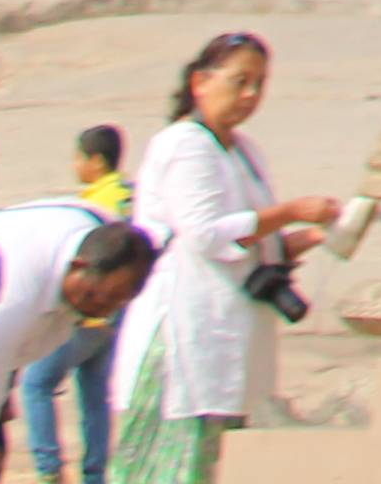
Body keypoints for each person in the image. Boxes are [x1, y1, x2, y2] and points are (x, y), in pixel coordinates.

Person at [117, 31, 338, 477]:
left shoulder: (245, 151)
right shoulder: (184, 144)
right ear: (201, 82)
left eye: (259, 83)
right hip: (187, 333)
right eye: (240, 81)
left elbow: (249, 240)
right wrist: (291, 211)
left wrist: (307, 237)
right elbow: (203, 234)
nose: (250, 94)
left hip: (233, 339)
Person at [0, 212, 149, 484]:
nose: (104, 312)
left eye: (118, 304)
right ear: (78, 266)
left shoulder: (101, 240)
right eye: (103, 298)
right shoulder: (14, 298)